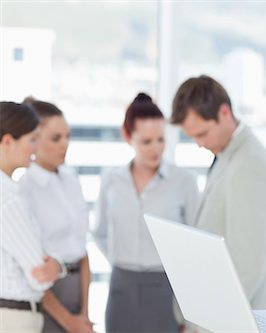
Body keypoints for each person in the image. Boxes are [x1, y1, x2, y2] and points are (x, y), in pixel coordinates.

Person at [171, 75, 266, 309]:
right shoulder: (227, 154)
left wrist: (207, 323)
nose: (199, 144)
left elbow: (248, 266)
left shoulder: (250, 164)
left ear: (224, 113)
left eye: (202, 134)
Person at [93, 93, 199, 333]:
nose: (156, 149)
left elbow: (195, 245)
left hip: (165, 290)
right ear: (127, 137)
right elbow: (99, 233)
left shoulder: (184, 181)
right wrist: (122, 258)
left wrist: (191, 317)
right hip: (121, 288)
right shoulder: (111, 180)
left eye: (161, 140)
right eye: (147, 141)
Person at [19, 98, 94, 333]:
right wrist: (69, 322)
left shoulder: (72, 182)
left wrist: (84, 313)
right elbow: (32, 267)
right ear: (34, 138)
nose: (65, 144)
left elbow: (82, 251)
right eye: (55, 138)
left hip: (78, 292)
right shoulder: (24, 190)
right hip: (48, 299)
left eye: (68, 136)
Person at [0, 101, 64, 333]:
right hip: (13, 320)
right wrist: (56, 265)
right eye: (32, 139)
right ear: (8, 141)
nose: (36, 149)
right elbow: (41, 276)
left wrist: (56, 264)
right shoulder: (8, 201)